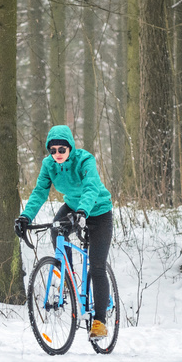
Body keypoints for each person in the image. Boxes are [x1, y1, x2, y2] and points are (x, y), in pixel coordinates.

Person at [14, 125, 113, 338]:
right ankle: (67, 276)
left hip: (98, 211)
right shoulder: (48, 165)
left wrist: (82, 212)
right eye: (53, 150)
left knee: (96, 267)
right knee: (56, 229)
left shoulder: (85, 160)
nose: (57, 154)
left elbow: (91, 187)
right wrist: (25, 217)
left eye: (62, 149)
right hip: (73, 208)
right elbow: (40, 191)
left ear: (70, 148)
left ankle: (100, 322)